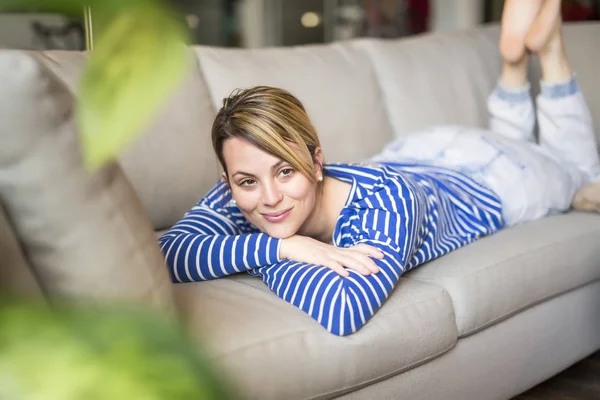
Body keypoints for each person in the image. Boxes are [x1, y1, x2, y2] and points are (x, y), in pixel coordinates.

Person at [159, 0, 600, 336]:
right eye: (247, 182)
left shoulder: (384, 204)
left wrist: (254, 245)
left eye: (286, 171)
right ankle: (515, 66)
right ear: (228, 180)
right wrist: (284, 247)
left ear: (316, 163)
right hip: (420, 148)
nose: (269, 198)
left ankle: (547, 53)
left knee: (580, 176)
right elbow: (161, 253)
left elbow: (343, 309)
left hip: (494, 177)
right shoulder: (243, 187)